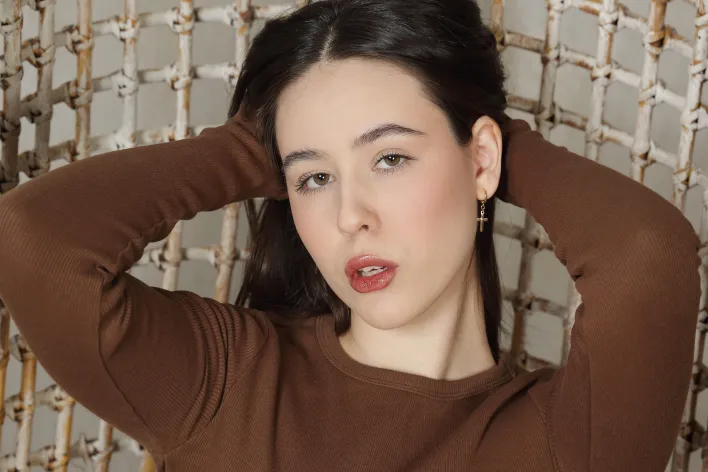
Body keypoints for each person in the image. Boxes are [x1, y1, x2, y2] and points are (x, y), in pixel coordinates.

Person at [0, 0, 700, 470]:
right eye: (314, 179)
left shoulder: (561, 442)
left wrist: (480, 135)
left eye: (389, 158)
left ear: (482, 159)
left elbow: (648, 256)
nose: (348, 216)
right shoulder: (227, 383)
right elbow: (34, 239)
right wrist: (255, 146)